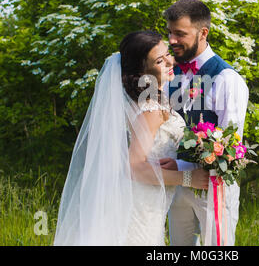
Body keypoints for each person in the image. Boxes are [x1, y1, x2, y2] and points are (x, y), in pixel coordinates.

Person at [53, 31, 209, 246]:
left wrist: (175, 164)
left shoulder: (147, 101)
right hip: (140, 202)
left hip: (148, 198)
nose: (169, 62)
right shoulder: (151, 109)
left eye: (167, 54)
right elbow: (133, 167)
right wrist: (189, 178)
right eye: (159, 60)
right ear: (142, 70)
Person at [162, 0, 249, 246]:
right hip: (175, 186)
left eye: (180, 33)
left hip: (212, 187)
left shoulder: (227, 79)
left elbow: (231, 145)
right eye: (169, 33)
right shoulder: (169, 73)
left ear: (203, 33)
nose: (172, 40)